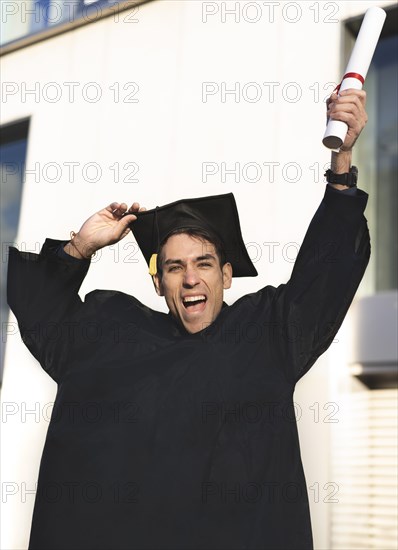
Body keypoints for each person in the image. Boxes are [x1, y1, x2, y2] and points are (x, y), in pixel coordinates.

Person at [7, 89, 370, 549]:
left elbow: (328, 271)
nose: (190, 279)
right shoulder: (107, 334)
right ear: (158, 283)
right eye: (174, 268)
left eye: (203, 264)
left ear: (227, 275)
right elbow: (38, 307)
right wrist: (80, 246)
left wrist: (342, 163)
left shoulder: (267, 335)